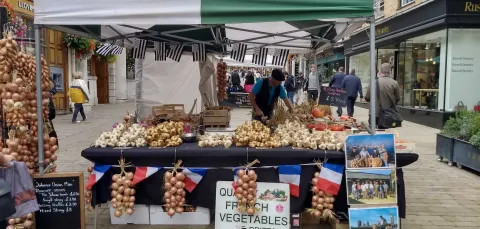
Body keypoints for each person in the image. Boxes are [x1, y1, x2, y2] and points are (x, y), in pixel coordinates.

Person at [365, 63, 401, 129]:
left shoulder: (373, 82)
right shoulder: (394, 83)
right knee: (384, 134)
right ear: (390, 72)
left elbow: (367, 97)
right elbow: (398, 98)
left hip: (374, 113)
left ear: (380, 71)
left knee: (372, 133)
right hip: (387, 113)